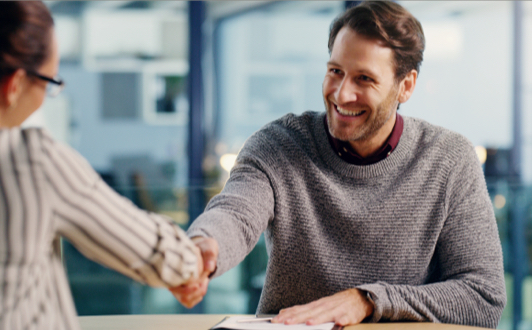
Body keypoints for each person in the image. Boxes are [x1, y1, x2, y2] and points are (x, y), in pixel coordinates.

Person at [170, 1, 507, 328]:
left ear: (406, 86)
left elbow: (483, 297)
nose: (342, 94)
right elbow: (235, 212)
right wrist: (204, 247)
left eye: (364, 79)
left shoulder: (450, 160)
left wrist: (368, 301)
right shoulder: (277, 145)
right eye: (335, 71)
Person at [0, 2, 202, 330]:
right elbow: (164, 257)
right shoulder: (27, 159)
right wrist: (191, 264)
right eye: (51, 81)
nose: (49, 92)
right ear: (14, 84)